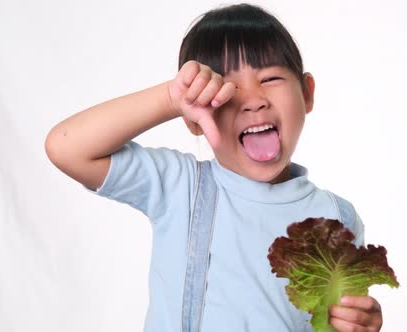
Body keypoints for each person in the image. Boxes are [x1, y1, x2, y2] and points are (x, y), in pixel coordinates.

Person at [45, 3, 384, 331]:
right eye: (227, 88)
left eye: (269, 78)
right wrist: (169, 99)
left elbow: (338, 320)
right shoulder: (180, 187)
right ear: (193, 117)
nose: (253, 99)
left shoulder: (338, 216)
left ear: (307, 93)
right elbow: (66, 147)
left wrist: (360, 324)